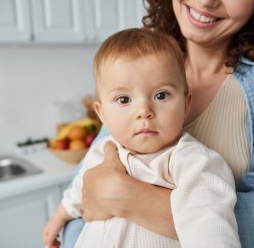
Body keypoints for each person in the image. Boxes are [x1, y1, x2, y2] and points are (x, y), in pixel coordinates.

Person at [61, 0, 254, 247]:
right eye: (124, 100)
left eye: (162, 95)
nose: (207, 0)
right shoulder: (140, 62)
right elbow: (80, 206)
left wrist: (126, 198)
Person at [43, 28, 241, 248]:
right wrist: (60, 216)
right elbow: (81, 189)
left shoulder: (193, 162)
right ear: (102, 113)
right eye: (124, 99)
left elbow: (210, 227)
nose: (144, 111)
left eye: (161, 95)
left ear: (186, 104)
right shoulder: (102, 151)